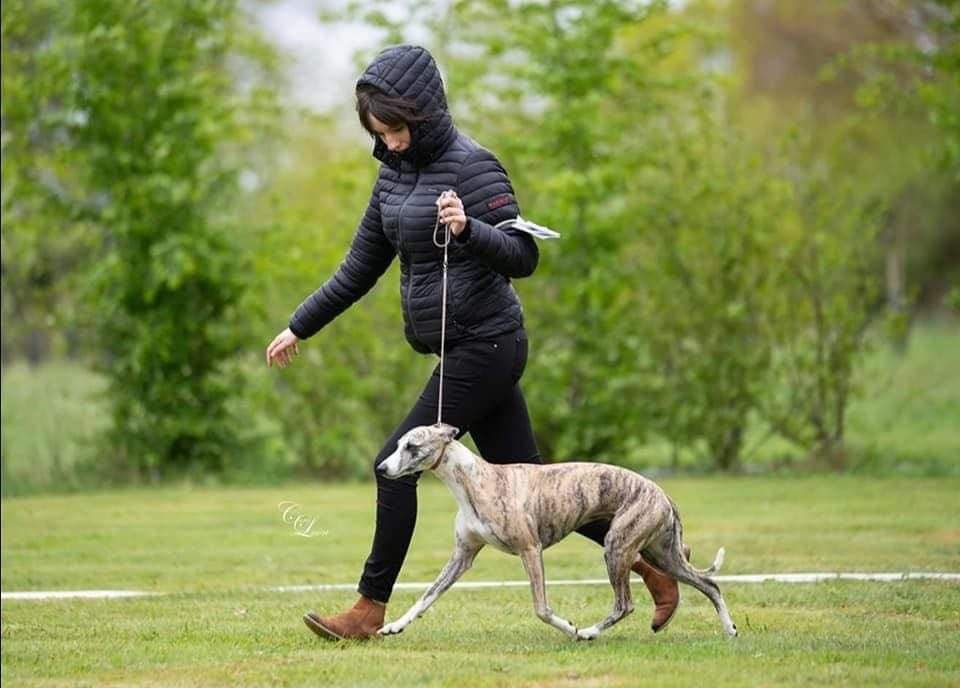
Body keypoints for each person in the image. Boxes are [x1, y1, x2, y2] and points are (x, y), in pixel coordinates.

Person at [265, 44, 681, 641]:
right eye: (379, 132)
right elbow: (359, 266)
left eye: (396, 129)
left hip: (487, 344)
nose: (390, 142)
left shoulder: (475, 166)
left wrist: (469, 228)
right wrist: (298, 324)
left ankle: (367, 609)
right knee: (537, 484)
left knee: (395, 464)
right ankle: (653, 571)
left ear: (424, 114)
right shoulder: (391, 177)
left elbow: (524, 255)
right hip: (463, 348)